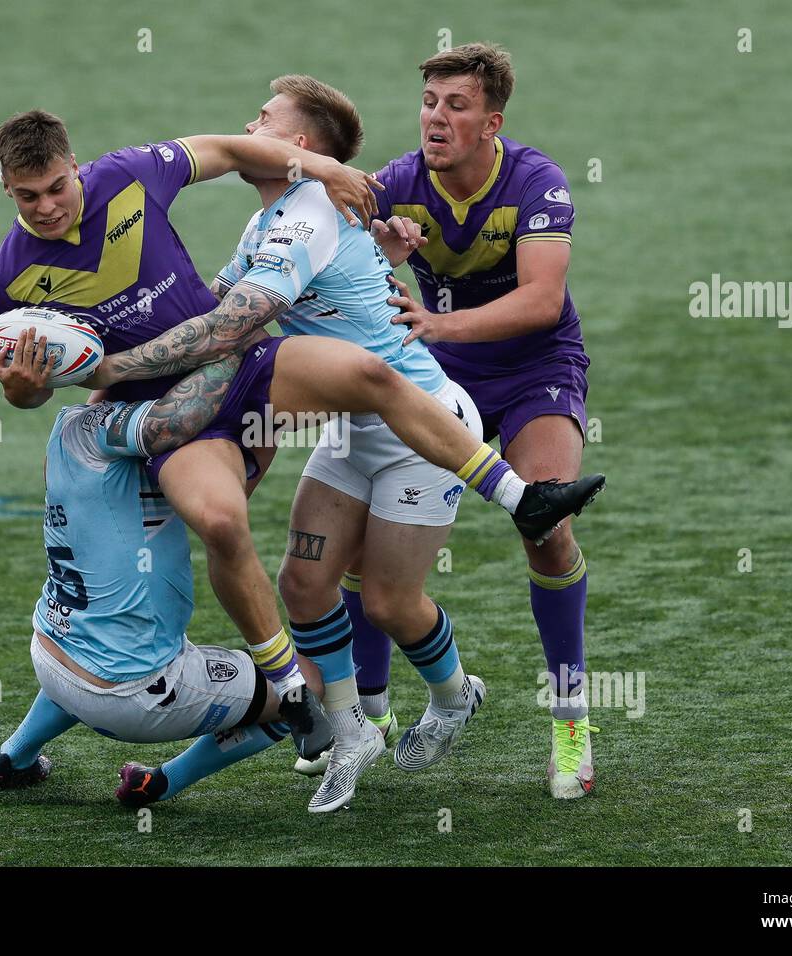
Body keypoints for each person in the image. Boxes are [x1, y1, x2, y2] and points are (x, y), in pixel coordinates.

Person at [88, 76, 605, 811]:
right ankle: (354, 725)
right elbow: (212, 306)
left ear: (298, 146)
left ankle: (469, 699)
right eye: (429, 101)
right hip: (360, 423)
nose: (246, 129)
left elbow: (233, 325)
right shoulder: (272, 219)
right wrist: (115, 340)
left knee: (397, 599)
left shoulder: (307, 215)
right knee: (303, 583)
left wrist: (111, 369)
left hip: (433, 417)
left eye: (262, 119)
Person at [366, 43, 602, 798]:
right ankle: (367, 716)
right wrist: (379, 248)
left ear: (492, 123)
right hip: (438, 376)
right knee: (364, 531)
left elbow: (541, 301)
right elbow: (330, 254)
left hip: (536, 370)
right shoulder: (396, 185)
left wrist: (439, 325)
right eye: (429, 102)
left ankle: (570, 724)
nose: (435, 118)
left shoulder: (537, 181)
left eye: (456, 105)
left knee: (547, 526)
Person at [0, 343, 332, 798]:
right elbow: (177, 419)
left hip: (49, 653)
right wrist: (230, 342)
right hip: (136, 694)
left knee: (94, 642)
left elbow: (228, 487)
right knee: (307, 681)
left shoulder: (66, 431)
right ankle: (162, 782)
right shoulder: (111, 432)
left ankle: (13, 757)